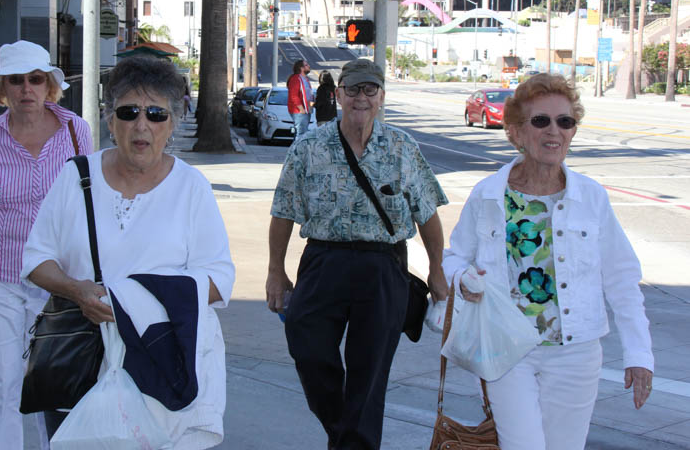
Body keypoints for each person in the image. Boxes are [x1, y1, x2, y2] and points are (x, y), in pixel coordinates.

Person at [21, 56, 236, 448]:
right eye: (128, 111)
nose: (142, 125)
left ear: (173, 123)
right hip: (80, 364)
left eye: (156, 113)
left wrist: (133, 301)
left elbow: (219, 280)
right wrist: (76, 290)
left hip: (160, 368)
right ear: (109, 119)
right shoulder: (76, 176)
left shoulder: (191, 189)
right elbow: (37, 259)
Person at [443, 73, 653, 450]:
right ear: (516, 132)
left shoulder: (591, 197)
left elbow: (622, 278)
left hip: (577, 353)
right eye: (540, 121)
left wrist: (639, 354)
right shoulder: (488, 195)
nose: (553, 131)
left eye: (565, 121)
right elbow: (454, 257)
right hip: (508, 349)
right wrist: (463, 278)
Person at [266, 58, 449, 450]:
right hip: (323, 261)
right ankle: (348, 435)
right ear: (338, 94)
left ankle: (354, 444)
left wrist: (437, 270)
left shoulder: (402, 147)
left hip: (383, 267)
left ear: (381, 97)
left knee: (370, 373)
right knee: (308, 348)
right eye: (353, 89)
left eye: (370, 90)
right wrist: (275, 270)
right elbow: (283, 210)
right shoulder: (309, 146)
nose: (361, 98)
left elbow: (428, 215)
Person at [0, 40, 92, 450]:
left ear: (50, 85)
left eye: (35, 79)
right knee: (1, 382)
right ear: (1, 89)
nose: (26, 89)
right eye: (15, 81)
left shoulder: (76, 131)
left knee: (53, 381)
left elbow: (86, 200)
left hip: (56, 279)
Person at [288, 59, 313, 141]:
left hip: (306, 111)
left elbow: (308, 95)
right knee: (301, 135)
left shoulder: (305, 79)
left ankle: (295, 152)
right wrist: (301, 109)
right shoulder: (296, 79)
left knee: (301, 134)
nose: (309, 66)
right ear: (301, 68)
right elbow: (293, 95)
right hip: (300, 111)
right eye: (306, 65)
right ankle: (298, 153)